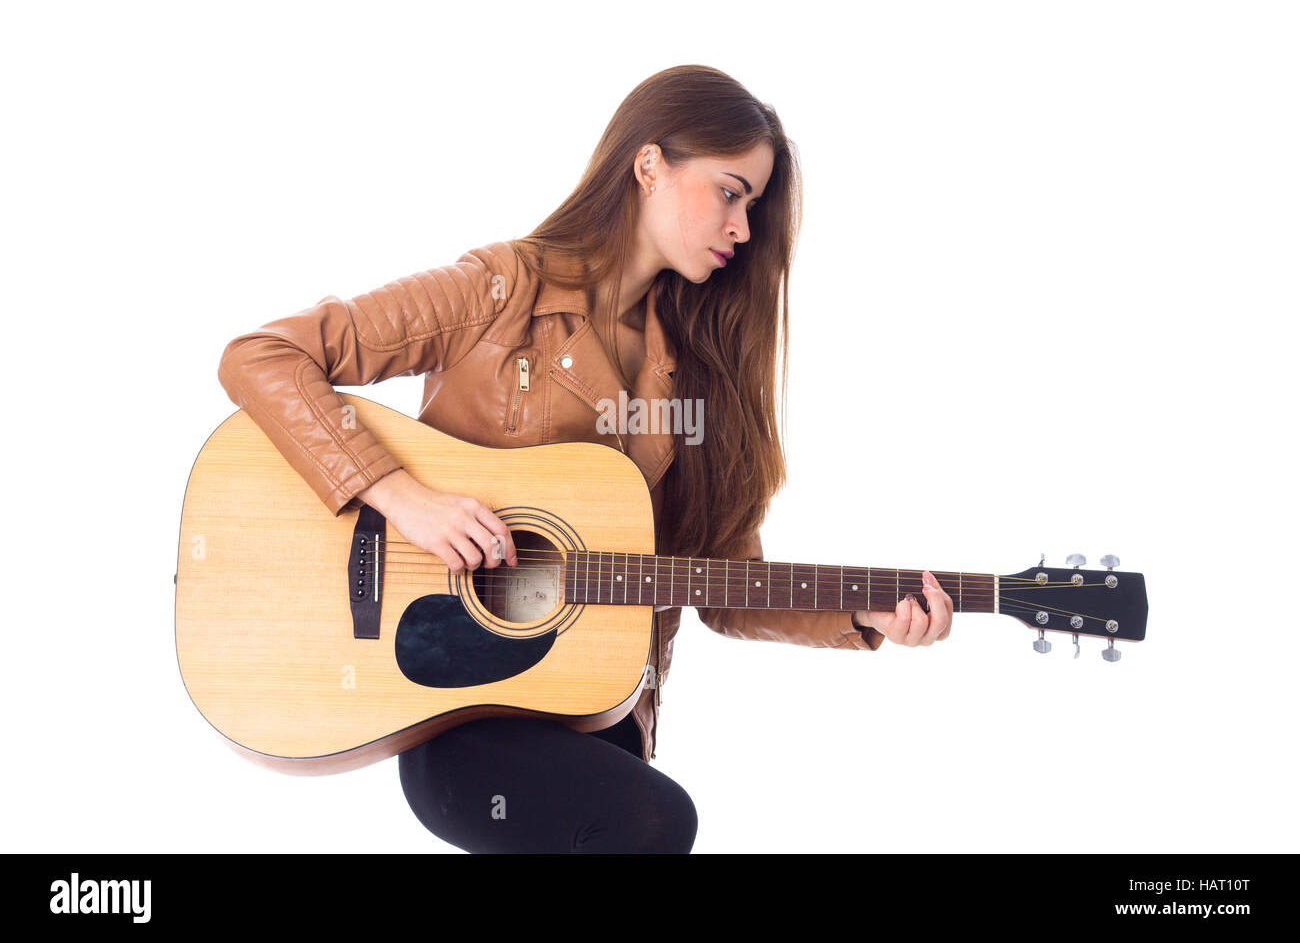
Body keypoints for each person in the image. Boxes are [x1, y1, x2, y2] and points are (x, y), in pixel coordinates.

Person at [216, 64, 954, 854]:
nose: (744, 227)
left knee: (642, 819)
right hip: (457, 702)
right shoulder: (499, 293)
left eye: (755, 206)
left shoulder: (700, 374)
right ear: (649, 165)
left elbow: (725, 583)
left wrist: (863, 611)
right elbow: (264, 357)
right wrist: (401, 496)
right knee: (653, 823)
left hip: (598, 713)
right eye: (732, 191)